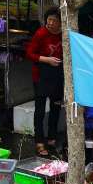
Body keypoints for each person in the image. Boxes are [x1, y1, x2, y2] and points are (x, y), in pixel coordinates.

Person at [25, 10, 64, 156]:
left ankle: (52, 138)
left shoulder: (63, 34)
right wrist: (46, 59)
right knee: (40, 110)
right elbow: (29, 53)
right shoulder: (41, 33)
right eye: (49, 19)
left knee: (56, 108)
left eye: (54, 20)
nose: (51, 23)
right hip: (41, 76)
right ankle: (39, 141)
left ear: (61, 22)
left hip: (58, 76)